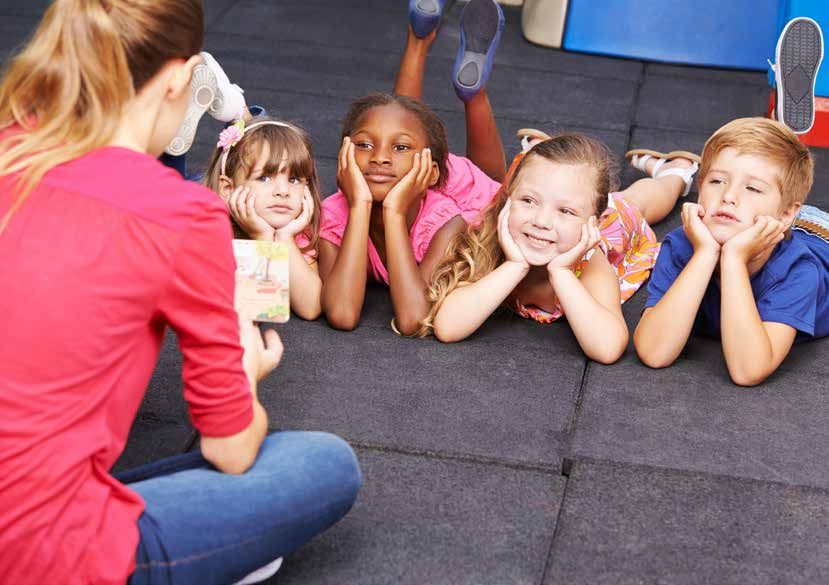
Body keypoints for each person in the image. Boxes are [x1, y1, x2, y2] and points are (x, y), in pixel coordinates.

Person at [0, 1, 360, 584]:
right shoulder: (180, 212)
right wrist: (244, 371)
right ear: (180, 78)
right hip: (39, 555)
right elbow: (230, 450)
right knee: (325, 464)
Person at [422, 132, 698, 363]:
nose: (541, 222)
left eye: (565, 211)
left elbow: (608, 348)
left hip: (612, 224)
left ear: (594, 221)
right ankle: (553, 163)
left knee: (637, 201)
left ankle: (674, 174)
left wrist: (562, 272)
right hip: (576, 212)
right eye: (528, 201)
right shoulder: (492, 237)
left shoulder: (591, 264)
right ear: (509, 200)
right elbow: (448, 327)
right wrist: (514, 265)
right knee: (558, 187)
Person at [318, 0, 507, 334]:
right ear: (344, 153)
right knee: (399, 122)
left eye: (398, 149)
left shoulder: (446, 221)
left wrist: (393, 213)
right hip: (416, 170)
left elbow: (413, 320)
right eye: (362, 145)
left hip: (459, 193)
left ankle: (472, 93)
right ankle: (420, 41)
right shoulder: (333, 216)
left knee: (500, 192)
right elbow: (342, 314)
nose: (377, 156)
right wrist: (359, 205)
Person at [634, 117, 829, 386]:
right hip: (776, 219)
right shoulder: (680, 246)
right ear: (700, 191)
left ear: (786, 214)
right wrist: (705, 254)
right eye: (716, 181)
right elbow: (654, 352)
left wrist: (734, 259)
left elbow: (747, 371)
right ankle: (676, 172)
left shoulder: (800, 271)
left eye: (753, 188)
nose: (729, 196)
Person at [203, 114, 324, 321]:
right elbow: (251, 314)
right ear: (228, 188)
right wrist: (262, 238)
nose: (283, 191)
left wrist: (285, 239)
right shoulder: (211, 232)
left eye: (294, 179)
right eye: (265, 178)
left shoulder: (297, 234)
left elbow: (311, 308)